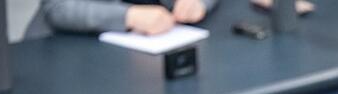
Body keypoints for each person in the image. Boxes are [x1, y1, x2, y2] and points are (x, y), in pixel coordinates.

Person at [25, 0, 216, 37]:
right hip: (69, 55)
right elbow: (58, 8)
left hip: (152, 49)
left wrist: (198, 2)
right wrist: (129, 15)